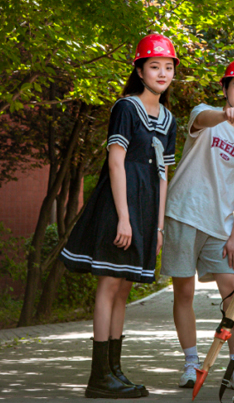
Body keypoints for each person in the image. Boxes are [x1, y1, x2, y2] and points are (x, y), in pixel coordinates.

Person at [61, 33, 179, 399]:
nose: (162, 72)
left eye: (168, 67)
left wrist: (157, 226)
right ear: (140, 71)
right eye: (154, 66)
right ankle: (99, 376)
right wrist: (124, 218)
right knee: (109, 284)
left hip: (145, 213)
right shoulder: (126, 108)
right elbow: (115, 163)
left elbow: (163, 175)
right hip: (119, 207)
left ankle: (114, 371)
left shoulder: (170, 119)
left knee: (124, 287)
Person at [162, 59, 234, 389]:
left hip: (220, 226)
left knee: (232, 293)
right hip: (182, 213)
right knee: (184, 291)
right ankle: (191, 362)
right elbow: (203, 119)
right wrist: (225, 115)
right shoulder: (205, 115)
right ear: (225, 89)